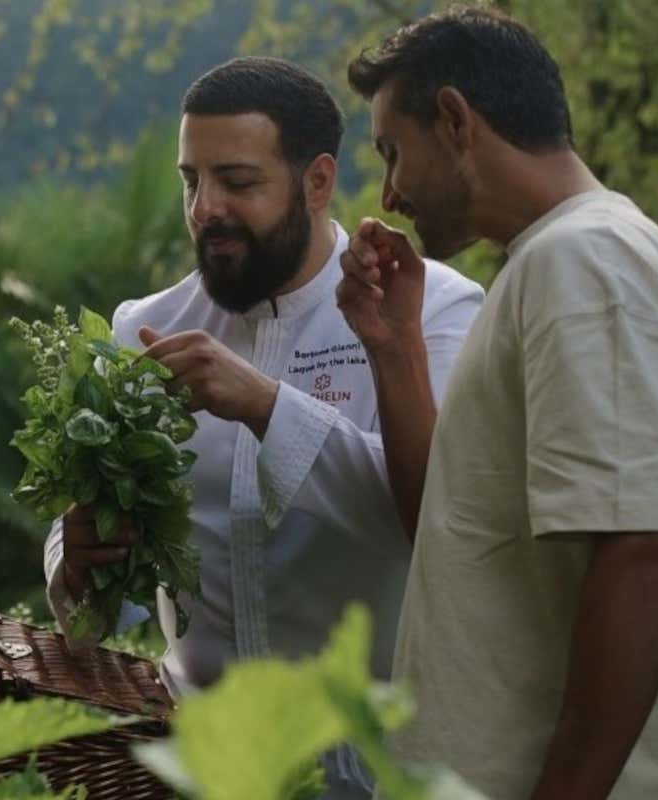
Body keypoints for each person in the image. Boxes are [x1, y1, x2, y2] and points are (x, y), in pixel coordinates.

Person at [44, 57, 483, 798]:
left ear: (316, 182)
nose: (205, 207)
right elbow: (97, 602)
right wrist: (75, 554)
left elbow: (442, 518)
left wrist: (266, 404)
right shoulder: (142, 329)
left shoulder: (433, 310)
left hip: (385, 768)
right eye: (191, 181)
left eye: (238, 182)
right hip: (202, 766)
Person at [336, 8, 658, 799]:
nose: (389, 193)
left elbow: (649, 556)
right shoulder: (552, 264)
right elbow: (453, 532)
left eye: (392, 152)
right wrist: (396, 347)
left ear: (455, 120)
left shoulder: (585, 260)